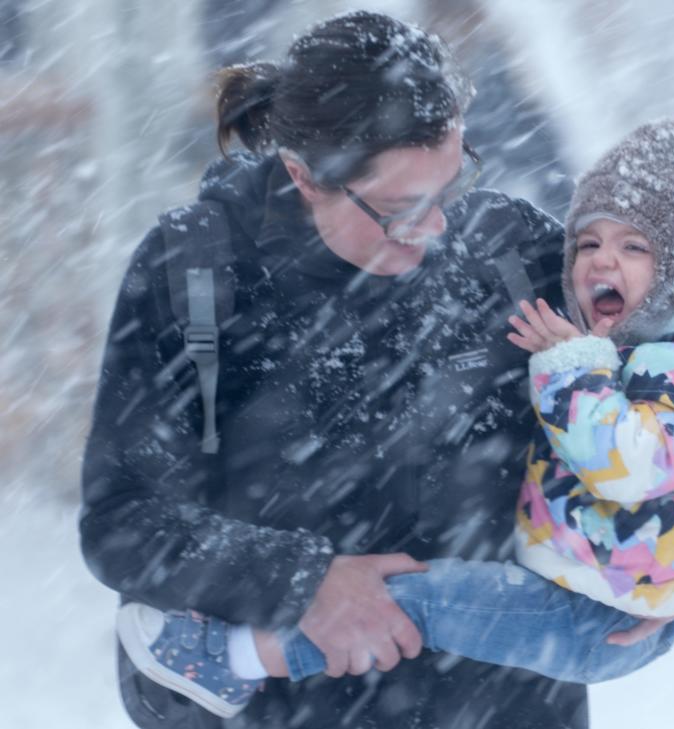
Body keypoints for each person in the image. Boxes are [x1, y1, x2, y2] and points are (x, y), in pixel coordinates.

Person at [109, 118, 674, 719]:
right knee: (403, 602)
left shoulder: (523, 274)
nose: (599, 262)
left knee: (416, 602)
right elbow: (139, 514)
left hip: (520, 671)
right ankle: (225, 659)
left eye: (436, 181)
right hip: (350, 696)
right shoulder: (215, 294)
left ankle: (231, 657)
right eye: (590, 242)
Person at [80, 11, 598, 729]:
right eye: (399, 208)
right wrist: (304, 583)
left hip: (511, 704)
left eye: (450, 188)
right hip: (295, 708)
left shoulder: (509, 253)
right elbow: (124, 520)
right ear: (302, 174)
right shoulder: (199, 272)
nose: (437, 228)